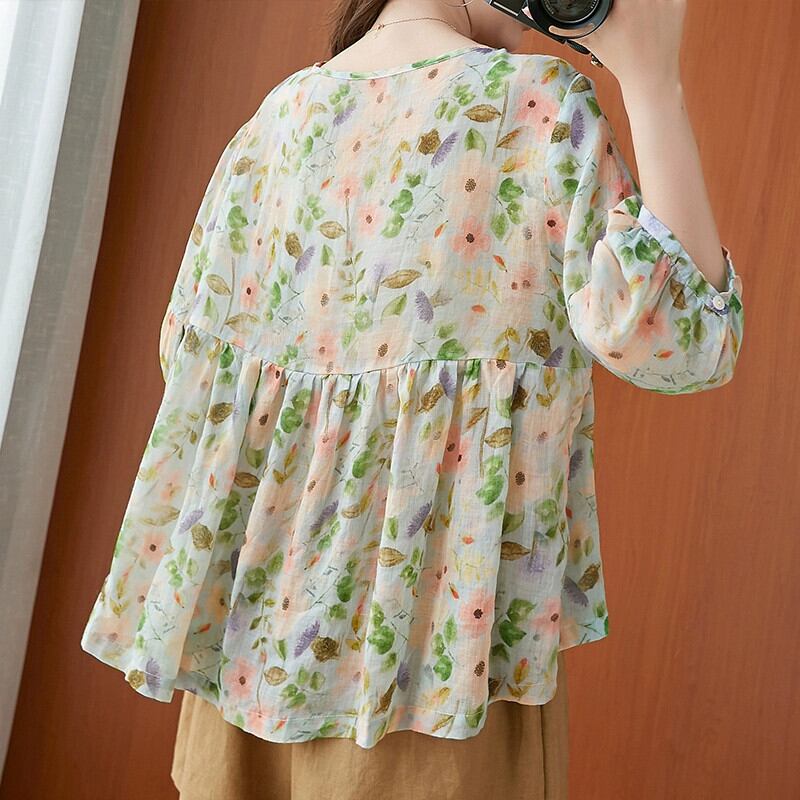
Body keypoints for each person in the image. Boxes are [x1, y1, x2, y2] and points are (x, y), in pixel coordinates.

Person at [80, 0, 745, 798]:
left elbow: (187, 370)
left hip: (245, 679)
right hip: (437, 681)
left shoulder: (275, 122)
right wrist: (653, 81)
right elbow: (685, 345)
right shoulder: (535, 107)